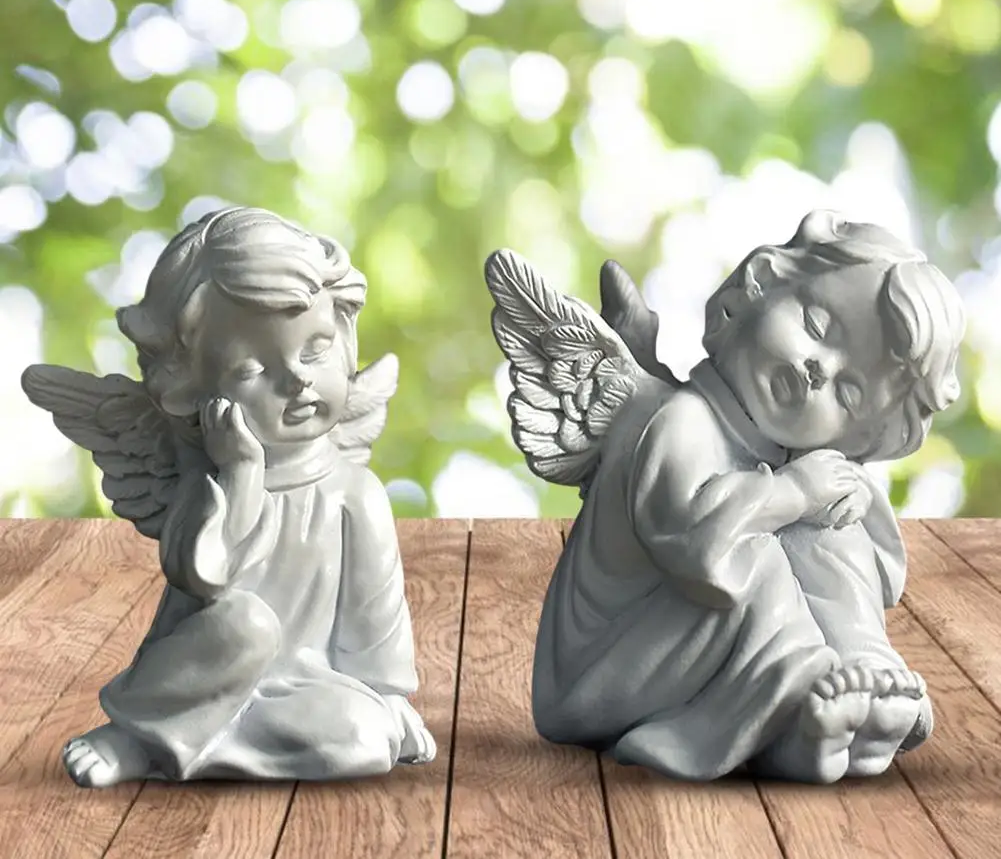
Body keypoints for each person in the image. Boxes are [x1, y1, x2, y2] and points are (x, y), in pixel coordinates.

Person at [521, 211, 964, 782]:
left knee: (827, 525)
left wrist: (835, 496)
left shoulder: (777, 451)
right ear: (757, 287)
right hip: (599, 670)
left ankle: (855, 673)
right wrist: (795, 490)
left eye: (849, 393)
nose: (817, 370)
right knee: (760, 546)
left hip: (677, 651)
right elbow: (696, 547)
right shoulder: (680, 420)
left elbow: (820, 512)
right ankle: (800, 697)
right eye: (817, 324)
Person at [43, 207, 434, 786]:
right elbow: (203, 576)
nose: (297, 379)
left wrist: (388, 697)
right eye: (253, 368)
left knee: (362, 736)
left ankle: (200, 746)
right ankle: (139, 735)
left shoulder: (355, 493)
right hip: (195, 676)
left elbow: (375, 617)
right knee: (246, 623)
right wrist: (242, 472)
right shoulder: (205, 478)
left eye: (316, 349)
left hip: (305, 687)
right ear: (192, 385)